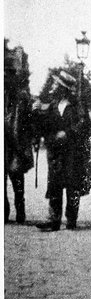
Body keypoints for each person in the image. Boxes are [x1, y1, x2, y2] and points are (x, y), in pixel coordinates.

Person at [33, 70, 91, 231]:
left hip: (73, 152)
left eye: (56, 84)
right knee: (54, 184)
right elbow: (43, 126)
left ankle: (71, 219)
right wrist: (36, 113)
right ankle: (54, 220)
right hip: (56, 152)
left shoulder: (77, 105)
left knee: (73, 186)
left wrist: (67, 133)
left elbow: (84, 124)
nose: (53, 87)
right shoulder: (52, 105)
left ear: (63, 88)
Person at [4, 42, 34, 224]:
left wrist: (28, 140)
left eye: (9, 74)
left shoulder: (21, 98)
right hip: (3, 145)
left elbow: (29, 122)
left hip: (16, 146)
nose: (6, 78)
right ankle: (4, 212)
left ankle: (20, 211)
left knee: (17, 181)